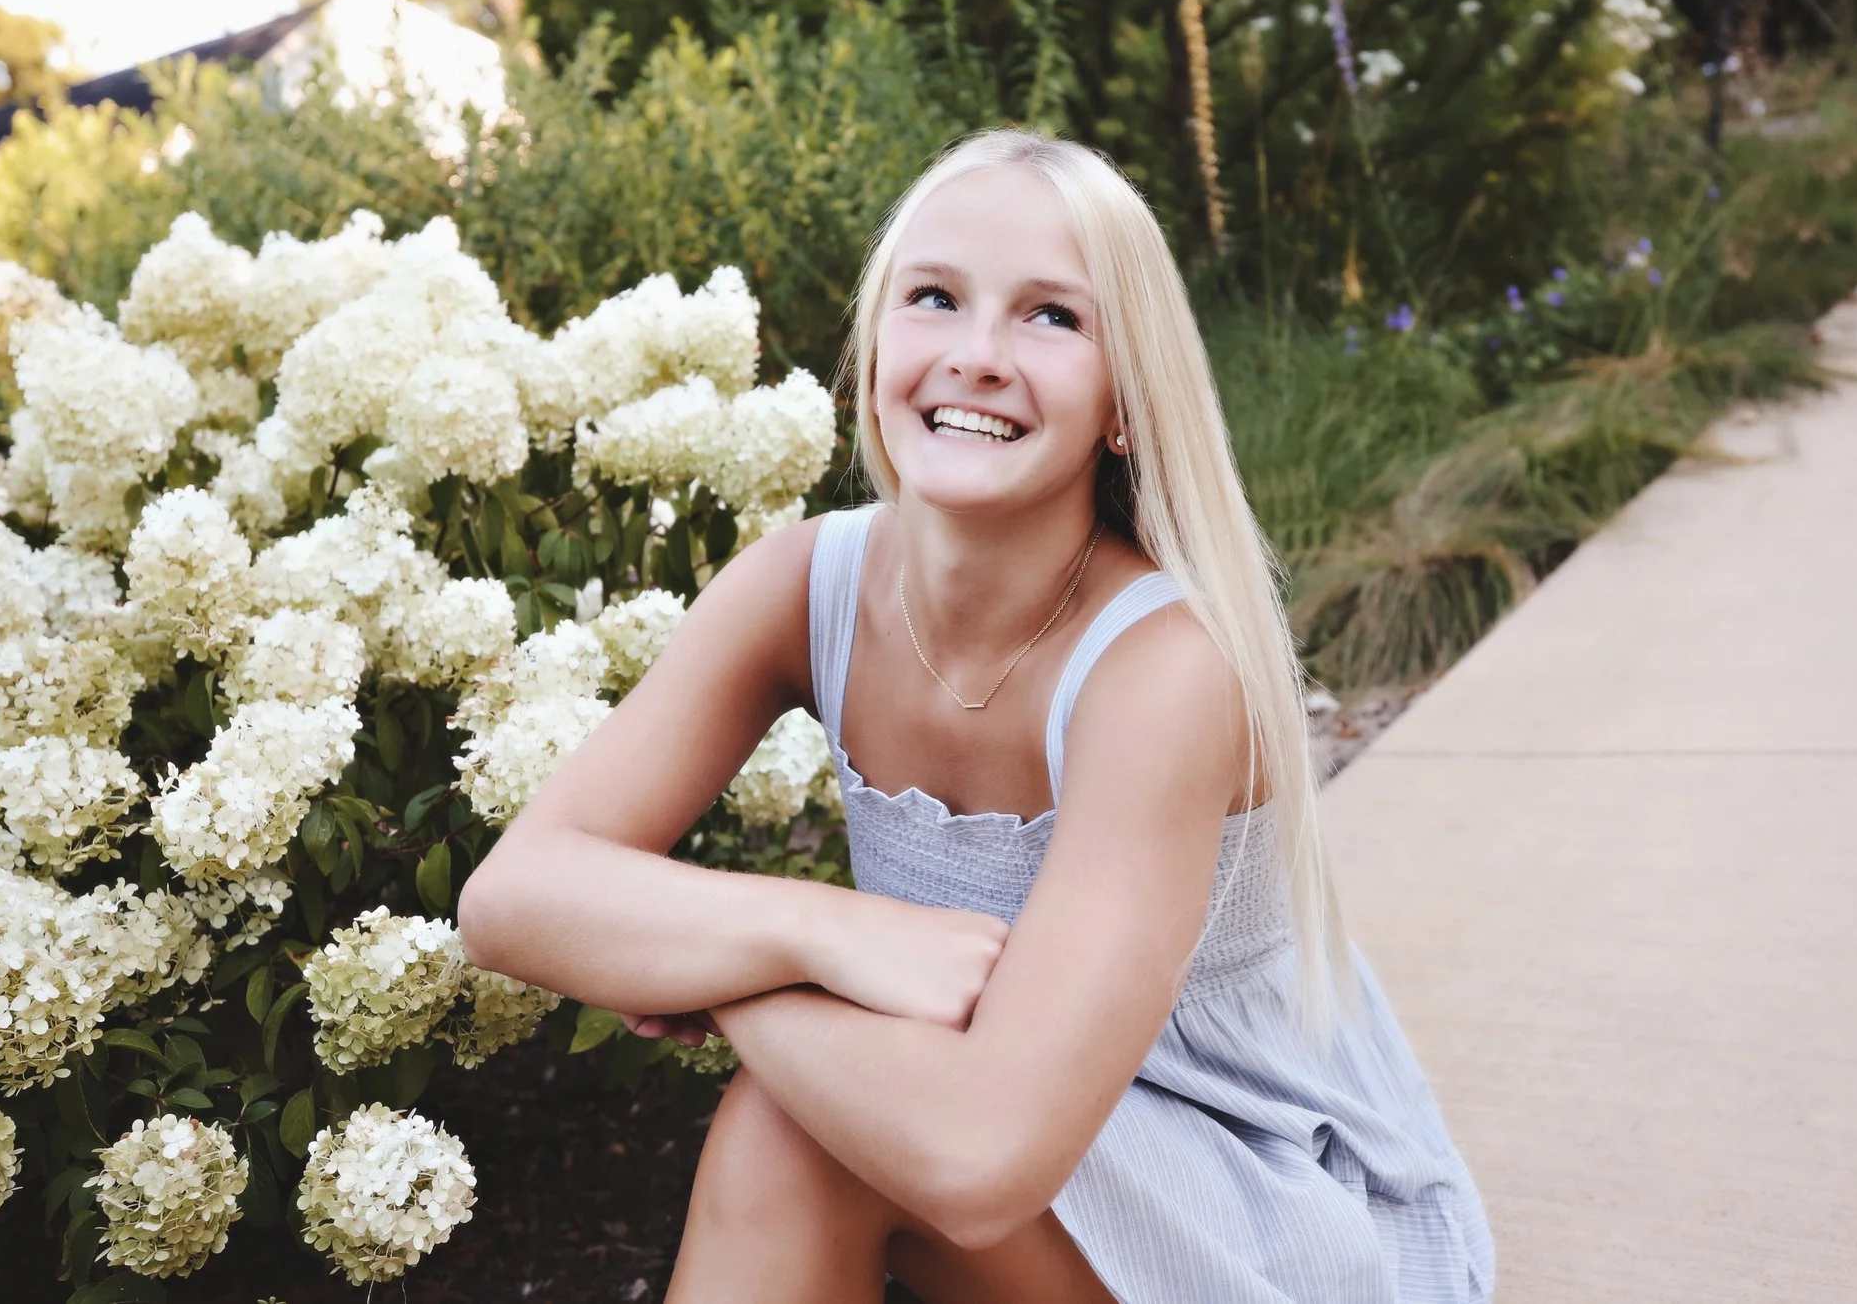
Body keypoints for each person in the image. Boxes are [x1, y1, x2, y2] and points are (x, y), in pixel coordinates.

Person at [457, 130, 1493, 1303]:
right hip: (1000, 1136)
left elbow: (978, 1159)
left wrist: (737, 979)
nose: (978, 355)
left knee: (792, 1123)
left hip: (1259, 1189)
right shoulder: (799, 586)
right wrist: (816, 930)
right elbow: (511, 899)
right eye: (935, 297)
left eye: (1052, 316)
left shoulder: (1160, 670)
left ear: (1123, 401)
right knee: (798, 1128)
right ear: (876, 346)